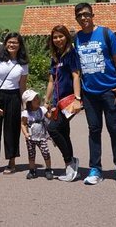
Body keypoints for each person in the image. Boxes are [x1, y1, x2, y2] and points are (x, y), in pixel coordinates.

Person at [73, 2, 116, 187]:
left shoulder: (106, 33)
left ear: (92, 15)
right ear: (76, 18)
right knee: (94, 131)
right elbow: (76, 68)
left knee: (114, 130)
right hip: (89, 93)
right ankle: (95, 169)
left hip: (110, 91)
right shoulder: (75, 39)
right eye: (80, 15)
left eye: (86, 14)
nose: (83, 18)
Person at [0, 32, 29, 176]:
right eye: (9, 42)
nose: (12, 45)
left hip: (14, 97)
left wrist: (25, 107)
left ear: (20, 45)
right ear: (5, 43)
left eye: (15, 42)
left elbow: (22, 86)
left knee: (12, 130)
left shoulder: (23, 63)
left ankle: (12, 161)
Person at [45, 24, 82, 182]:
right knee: (64, 131)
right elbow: (52, 81)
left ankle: (69, 162)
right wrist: (47, 101)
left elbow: (76, 76)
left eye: (61, 36)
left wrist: (78, 99)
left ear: (66, 37)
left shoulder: (71, 54)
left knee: (53, 129)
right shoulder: (55, 57)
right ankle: (71, 166)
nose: (58, 39)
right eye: (55, 37)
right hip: (57, 102)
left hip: (69, 101)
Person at [21, 89, 53, 180]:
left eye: (37, 98)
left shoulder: (42, 110)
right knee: (31, 154)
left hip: (42, 137)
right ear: (28, 103)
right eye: (34, 99)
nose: (38, 100)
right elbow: (23, 124)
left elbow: (49, 117)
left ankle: (48, 169)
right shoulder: (25, 113)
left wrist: (52, 111)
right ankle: (32, 170)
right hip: (31, 137)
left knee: (46, 152)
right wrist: (25, 133)